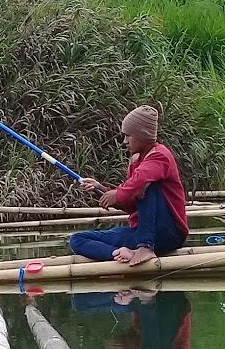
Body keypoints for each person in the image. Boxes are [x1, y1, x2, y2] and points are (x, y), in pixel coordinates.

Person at [71, 105, 189, 265]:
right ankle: (119, 253)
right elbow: (134, 205)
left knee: (146, 186)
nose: (125, 141)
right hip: (140, 232)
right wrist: (101, 190)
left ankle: (145, 248)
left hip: (168, 234)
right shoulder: (136, 160)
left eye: (128, 135)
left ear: (142, 135)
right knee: (77, 239)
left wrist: (117, 194)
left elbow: (140, 181)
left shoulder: (160, 156)